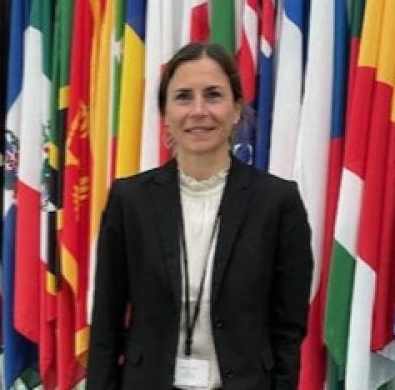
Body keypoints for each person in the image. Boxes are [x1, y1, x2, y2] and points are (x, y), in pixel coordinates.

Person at [87, 42, 313, 390]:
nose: (198, 110)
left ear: (237, 109)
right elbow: (106, 323)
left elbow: (288, 329)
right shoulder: (129, 200)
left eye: (213, 95)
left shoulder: (278, 202)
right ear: (165, 111)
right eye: (183, 97)